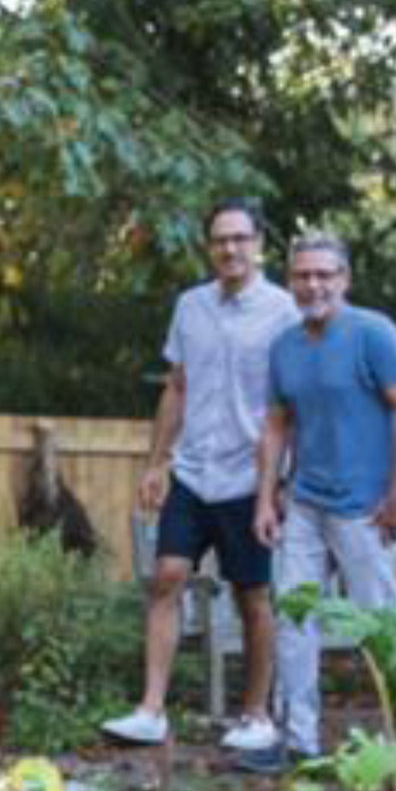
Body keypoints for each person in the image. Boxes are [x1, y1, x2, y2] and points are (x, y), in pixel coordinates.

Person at [101, 198, 296, 748]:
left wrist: (281, 480)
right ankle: (151, 710)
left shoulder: (283, 312)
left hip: (248, 479)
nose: (230, 249)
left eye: (240, 238)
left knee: (252, 595)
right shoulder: (190, 306)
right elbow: (177, 387)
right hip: (193, 471)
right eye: (219, 240)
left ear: (259, 244)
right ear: (209, 247)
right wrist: (157, 462)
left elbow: (293, 407)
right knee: (165, 576)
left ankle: (255, 717)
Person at [246, 233, 396, 771]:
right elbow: (276, 427)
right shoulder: (285, 347)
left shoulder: (374, 334)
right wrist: (266, 500)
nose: (313, 285)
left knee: (382, 627)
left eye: (324, 275)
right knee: (294, 616)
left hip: (366, 509)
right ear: (290, 282)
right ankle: (300, 741)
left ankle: (395, 747)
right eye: (303, 275)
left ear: (344, 279)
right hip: (305, 503)